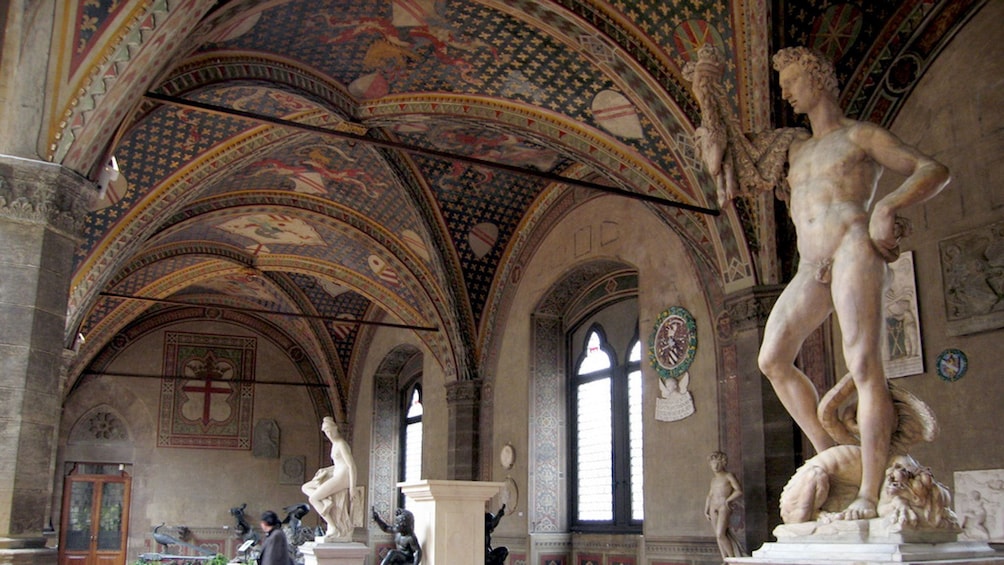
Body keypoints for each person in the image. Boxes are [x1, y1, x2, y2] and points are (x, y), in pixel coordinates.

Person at [756, 47, 951, 520]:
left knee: (863, 363)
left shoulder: (860, 135)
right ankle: (832, 454)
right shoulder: (796, 150)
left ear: (819, 78)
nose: (784, 92)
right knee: (772, 359)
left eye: (793, 80)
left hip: (853, 247)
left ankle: (867, 490)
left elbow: (932, 169)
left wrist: (887, 207)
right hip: (810, 264)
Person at [301, 417, 357, 540]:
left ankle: (333, 527)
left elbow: (351, 465)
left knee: (314, 498)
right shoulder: (335, 445)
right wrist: (326, 471)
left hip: (343, 477)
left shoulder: (341, 444)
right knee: (306, 487)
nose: (328, 433)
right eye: (325, 431)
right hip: (336, 474)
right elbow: (338, 463)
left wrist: (353, 487)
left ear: (335, 428)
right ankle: (326, 501)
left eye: (329, 430)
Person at [705, 451, 745, 559]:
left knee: (720, 534)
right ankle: (724, 559)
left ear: (723, 463)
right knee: (717, 536)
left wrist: (728, 500)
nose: (715, 466)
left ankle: (732, 558)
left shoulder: (728, 476)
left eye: (717, 463)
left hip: (723, 506)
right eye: (713, 464)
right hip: (713, 507)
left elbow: (738, 491)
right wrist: (706, 509)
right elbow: (710, 495)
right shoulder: (713, 480)